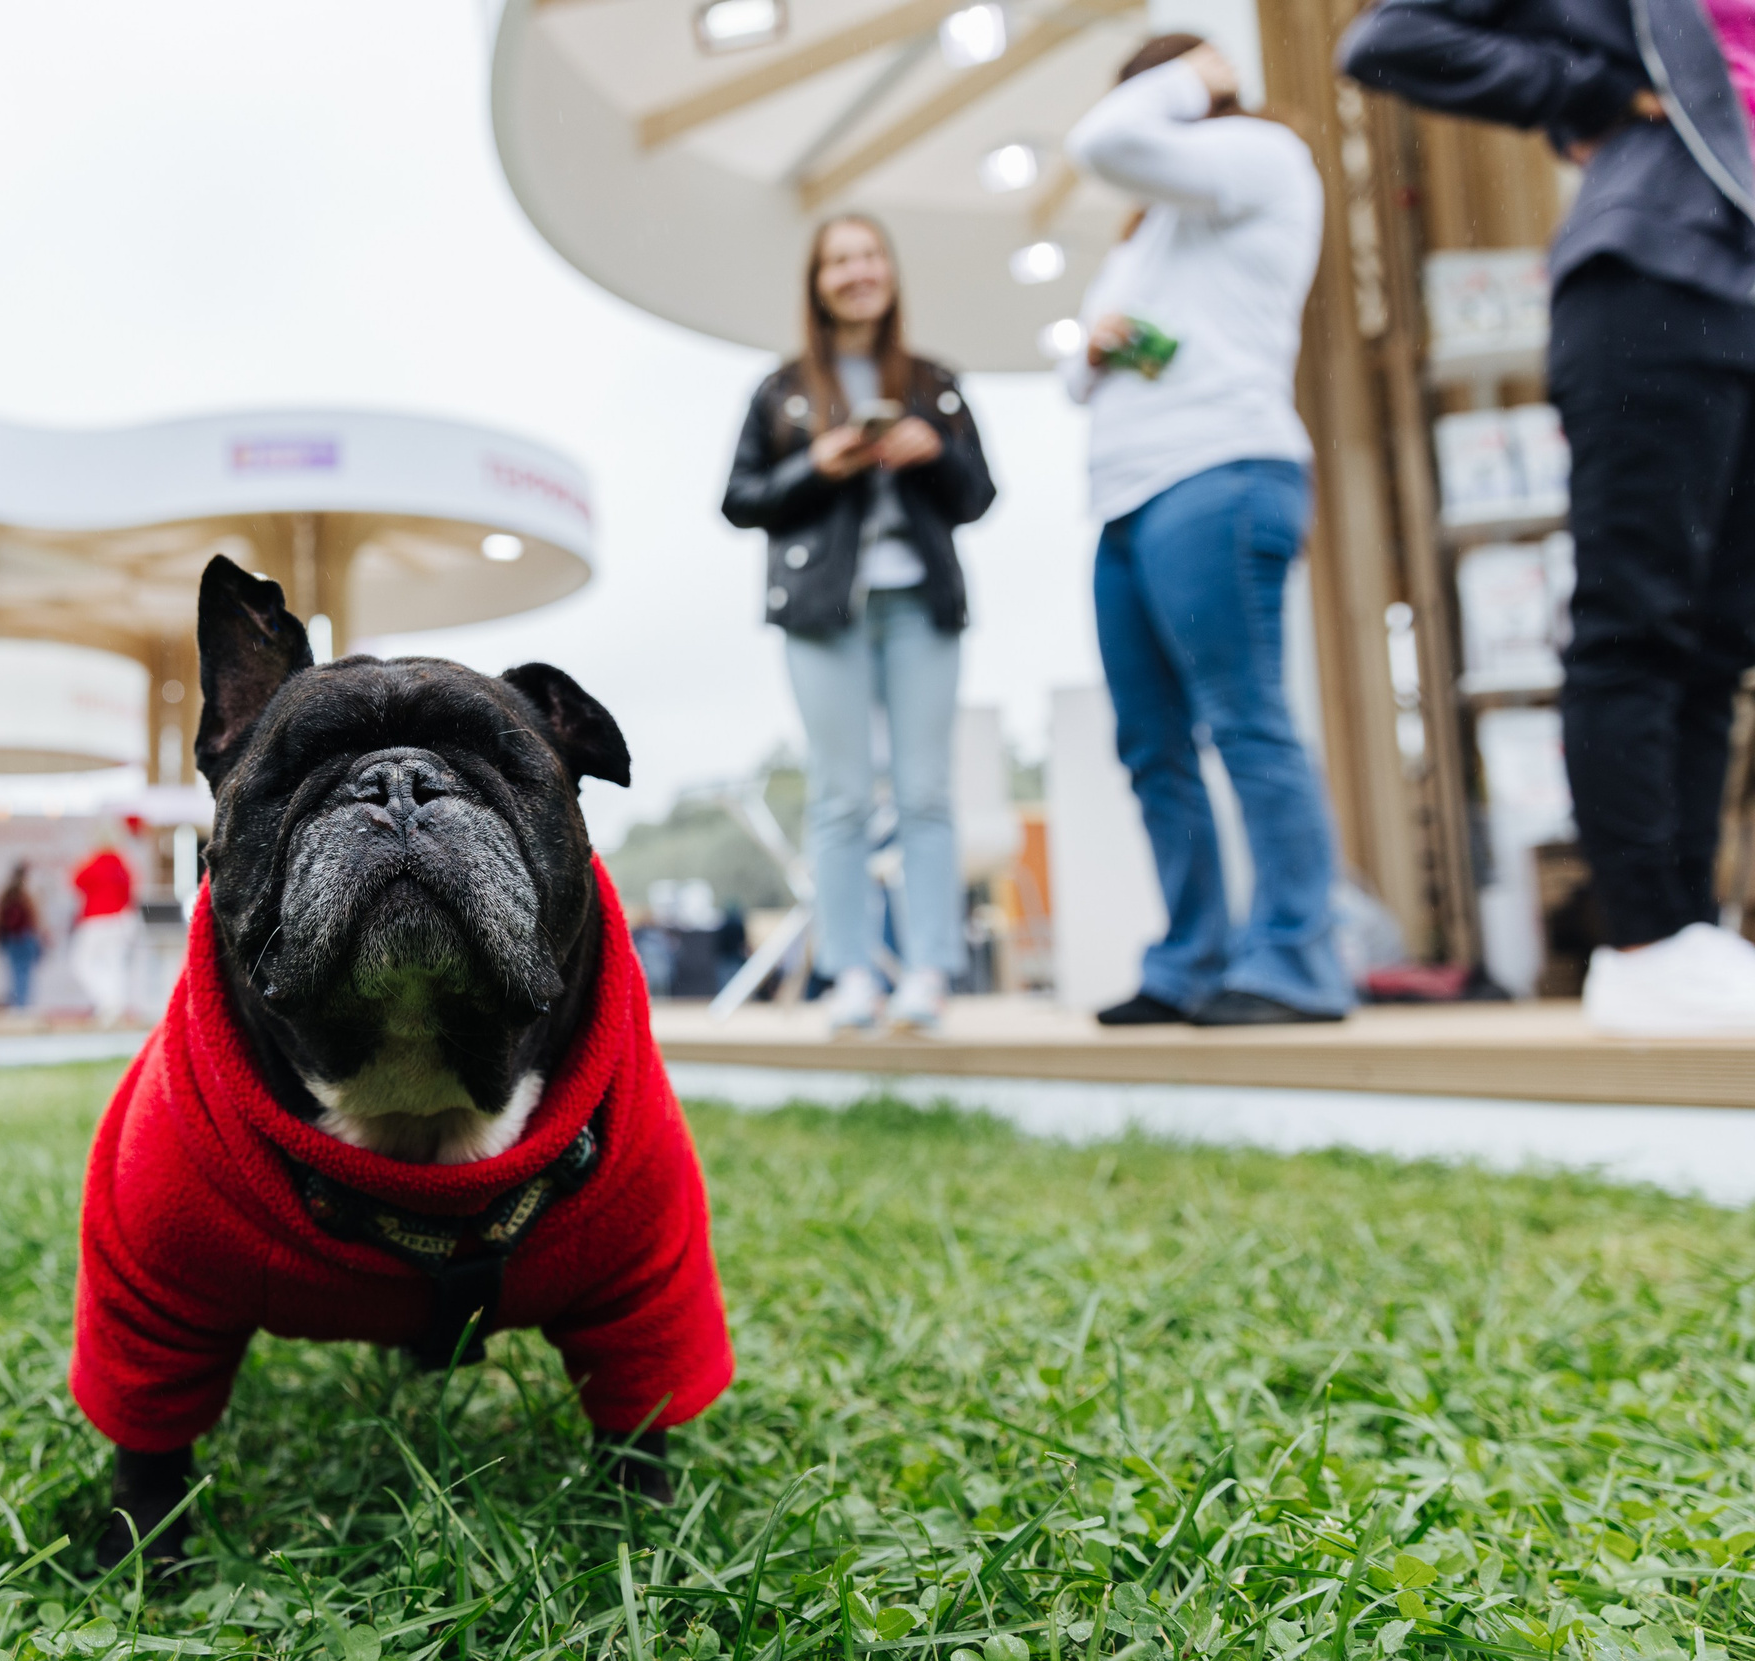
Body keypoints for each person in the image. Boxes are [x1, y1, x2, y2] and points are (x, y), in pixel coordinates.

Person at [1340, 0, 1755, 1035]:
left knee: (1718, 639)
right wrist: (1598, 91)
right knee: (1637, 616)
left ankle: (1686, 934)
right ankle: (1644, 936)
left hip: (1742, 287)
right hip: (1652, 270)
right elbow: (1389, 36)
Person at [1060, 36, 1353, 1027]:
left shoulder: (1260, 161)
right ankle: (1189, 962)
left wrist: (1193, 76)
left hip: (1219, 470)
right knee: (1151, 746)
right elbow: (1074, 377)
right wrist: (1091, 351)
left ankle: (1297, 961)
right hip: (1122, 498)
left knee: (1245, 720)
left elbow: (1100, 141)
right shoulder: (1148, 235)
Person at [722, 213, 998, 1032]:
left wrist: (932, 452)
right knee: (839, 794)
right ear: (818, 281)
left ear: (890, 270)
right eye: (839, 260)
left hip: (922, 602)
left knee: (926, 791)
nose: (857, 272)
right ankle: (849, 975)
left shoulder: (935, 380)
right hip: (822, 608)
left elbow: (979, 495)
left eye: (869, 256)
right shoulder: (780, 389)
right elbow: (740, 500)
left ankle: (930, 974)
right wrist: (818, 464)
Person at [68, 835, 139, 1027]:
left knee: (82, 963)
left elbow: (76, 880)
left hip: (96, 919)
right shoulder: (122, 865)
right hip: (119, 920)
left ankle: (108, 1003)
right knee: (114, 964)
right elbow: (130, 891)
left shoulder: (94, 863)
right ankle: (115, 1005)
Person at [0, 860, 44, 1012]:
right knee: (24, 973)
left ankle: (18, 1004)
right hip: (25, 936)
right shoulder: (27, 892)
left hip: (11, 938)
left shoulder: (6, 892)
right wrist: (42, 936)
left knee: (15, 972)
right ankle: (22, 1006)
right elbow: (35, 916)